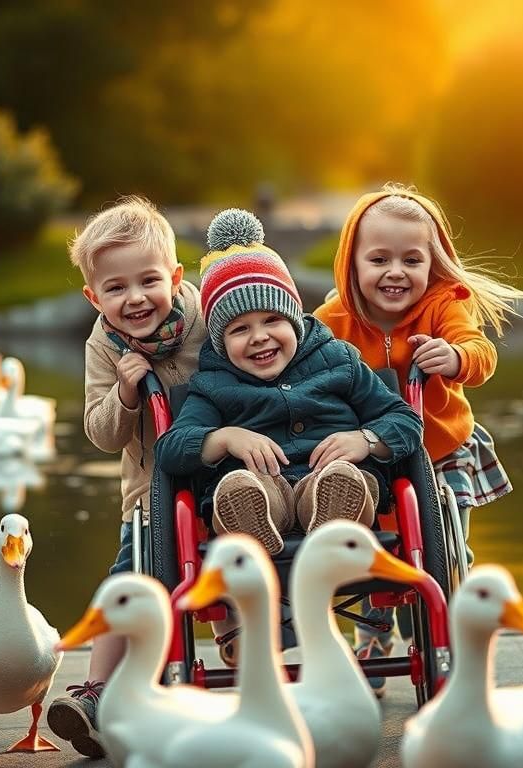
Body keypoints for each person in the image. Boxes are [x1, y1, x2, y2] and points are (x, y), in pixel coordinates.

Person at [154, 208, 424, 666]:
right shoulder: (214, 385)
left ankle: (331, 530)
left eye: (271, 321)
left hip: (335, 479)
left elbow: (404, 421)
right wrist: (225, 438)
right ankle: (252, 528)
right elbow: (172, 449)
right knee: (240, 488)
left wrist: (365, 439)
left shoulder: (339, 360)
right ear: (221, 341)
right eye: (239, 329)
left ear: (294, 319)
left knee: (343, 478)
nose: (259, 338)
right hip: (267, 493)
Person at [314, 183, 523, 696]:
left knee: (441, 531)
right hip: (369, 455)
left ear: (432, 264)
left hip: (440, 448)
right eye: (379, 259)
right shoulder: (331, 323)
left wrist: (455, 359)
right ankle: (373, 636)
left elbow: (480, 350)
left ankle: (450, 595)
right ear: (352, 263)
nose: (395, 272)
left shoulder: (443, 305)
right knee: (371, 539)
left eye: (412, 259)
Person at [46, 196, 207, 758]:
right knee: (129, 577)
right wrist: (126, 392)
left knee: (240, 556)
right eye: (115, 289)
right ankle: (96, 691)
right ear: (94, 297)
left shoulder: (205, 317)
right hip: (151, 489)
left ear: (176, 277)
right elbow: (101, 432)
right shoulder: (104, 345)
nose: (135, 298)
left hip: (220, 475)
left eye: (148, 281)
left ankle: (242, 655)